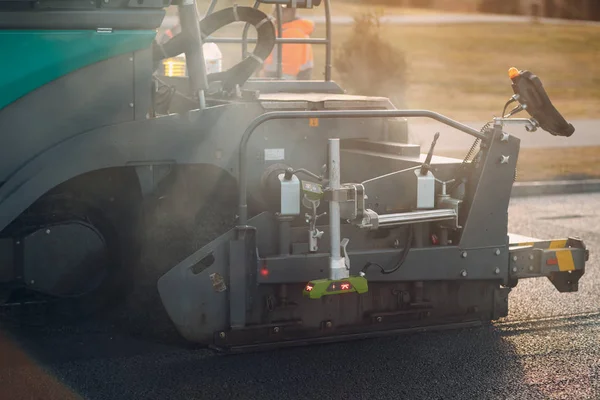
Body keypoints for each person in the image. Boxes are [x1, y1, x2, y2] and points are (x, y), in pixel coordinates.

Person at [262, 6, 315, 80]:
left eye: (281, 10)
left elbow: (290, 65)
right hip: (284, 76)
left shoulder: (293, 32)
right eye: (276, 10)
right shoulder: (286, 29)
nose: (274, 13)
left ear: (292, 12)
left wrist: (269, 75)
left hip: (286, 78)